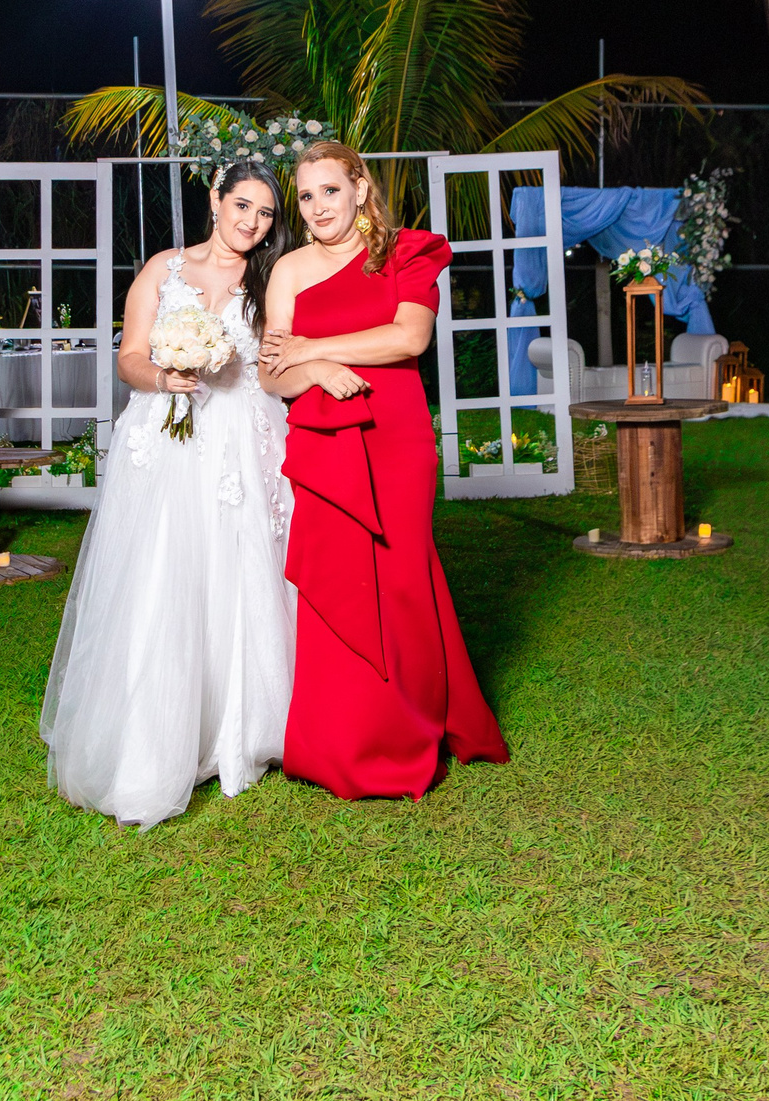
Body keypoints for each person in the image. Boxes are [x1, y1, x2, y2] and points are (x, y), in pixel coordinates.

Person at [39, 162, 295, 826]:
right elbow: (127, 356)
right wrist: (164, 375)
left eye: (265, 214)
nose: (251, 222)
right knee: (163, 577)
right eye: (242, 204)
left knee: (238, 576)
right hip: (165, 437)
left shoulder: (269, 280)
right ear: (215, 198)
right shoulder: (163, 269)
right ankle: (154, 739)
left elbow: (273, 365)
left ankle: (237, 730)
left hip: (238, 438)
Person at [260, 140, 508, 798]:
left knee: (400, 579)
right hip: (323, 443)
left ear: (361, 188)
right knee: (334, 581)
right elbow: (270, 372)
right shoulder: (287, 270)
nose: (318, 207)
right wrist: (311, 368)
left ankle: (409, 728)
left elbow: (409, 338)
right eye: (307, 196)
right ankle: (335, 741)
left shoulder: (408, 253)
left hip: (395, 439)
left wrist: (312, 344)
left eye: (331, 191)